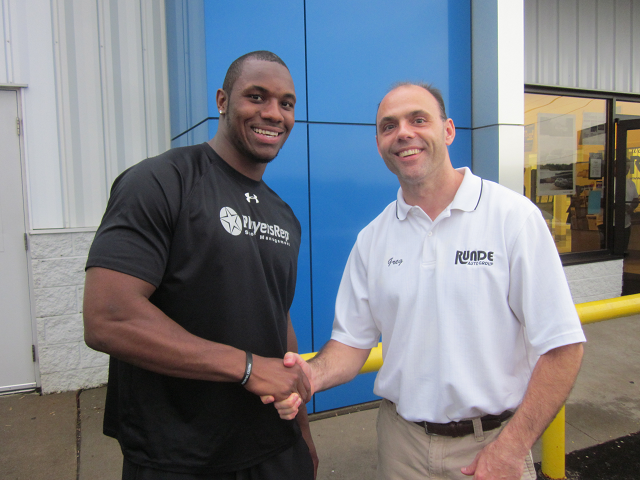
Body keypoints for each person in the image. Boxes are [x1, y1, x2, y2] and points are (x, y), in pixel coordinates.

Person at [266, 82, 586, 480]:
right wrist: (308, 377)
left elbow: (563, 346)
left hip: (491, 445)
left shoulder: (512, 218)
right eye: (388, 126)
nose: (403, 133)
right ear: (380, 144)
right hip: (401, 447)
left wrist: (513, 446)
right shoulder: (373, 238)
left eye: (418, 119)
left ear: (448, 130)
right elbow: (351, 343)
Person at [83, 51, 317, 480]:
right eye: (257, 96)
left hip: (274, 449)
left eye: (286, 103)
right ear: (222, 101)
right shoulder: (160, 182)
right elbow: (108, 317)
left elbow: (276, 318)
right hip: (178, 456)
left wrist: (301, 430)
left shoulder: (284, 216)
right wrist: (247, 368)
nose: (273, 113)